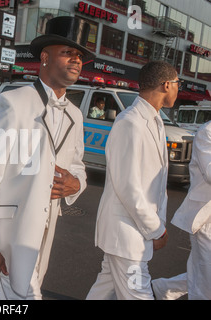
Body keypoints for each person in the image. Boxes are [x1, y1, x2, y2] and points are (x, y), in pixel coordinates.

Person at [0, 16, 94, 300]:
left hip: (46, 228)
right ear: (45, 57)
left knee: (10, 296)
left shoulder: (75, 114)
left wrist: (77, 184)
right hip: (11, 229)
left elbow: (78, 166)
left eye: (79, 56)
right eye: (67, 53)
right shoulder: (13, 103)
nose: (76, 60)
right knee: (24, 295)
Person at [86, 61, 181, 300]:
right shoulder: (130, 122)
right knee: (140, 295)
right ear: (166, 84)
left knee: (103, 292)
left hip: (130, 233)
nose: (179, 89)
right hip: (127, 234)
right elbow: (128, 187)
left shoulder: (155, 120)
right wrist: (156, 229)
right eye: (178, 83)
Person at [152, 120, 211, 300]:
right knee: (205, 281)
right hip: (206, 219)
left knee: (201, 274)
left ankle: (161, 289)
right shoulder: (207, 133)